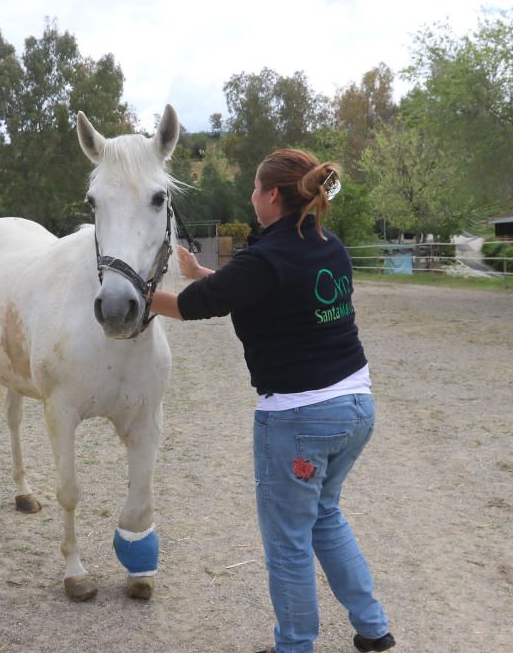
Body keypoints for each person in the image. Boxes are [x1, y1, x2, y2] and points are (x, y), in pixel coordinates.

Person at [151, 149, 394, 653]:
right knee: (325, 514)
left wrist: (127, 287)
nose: (251, 197)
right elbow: (252, 289)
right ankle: (373, 628)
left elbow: (186, 309)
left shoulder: (264, 258)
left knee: (288, 543)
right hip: (355, 406)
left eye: (256, 189)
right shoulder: (327, 245)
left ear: (273, 195)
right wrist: (200, 272)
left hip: (299, 419)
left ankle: (295, 646)